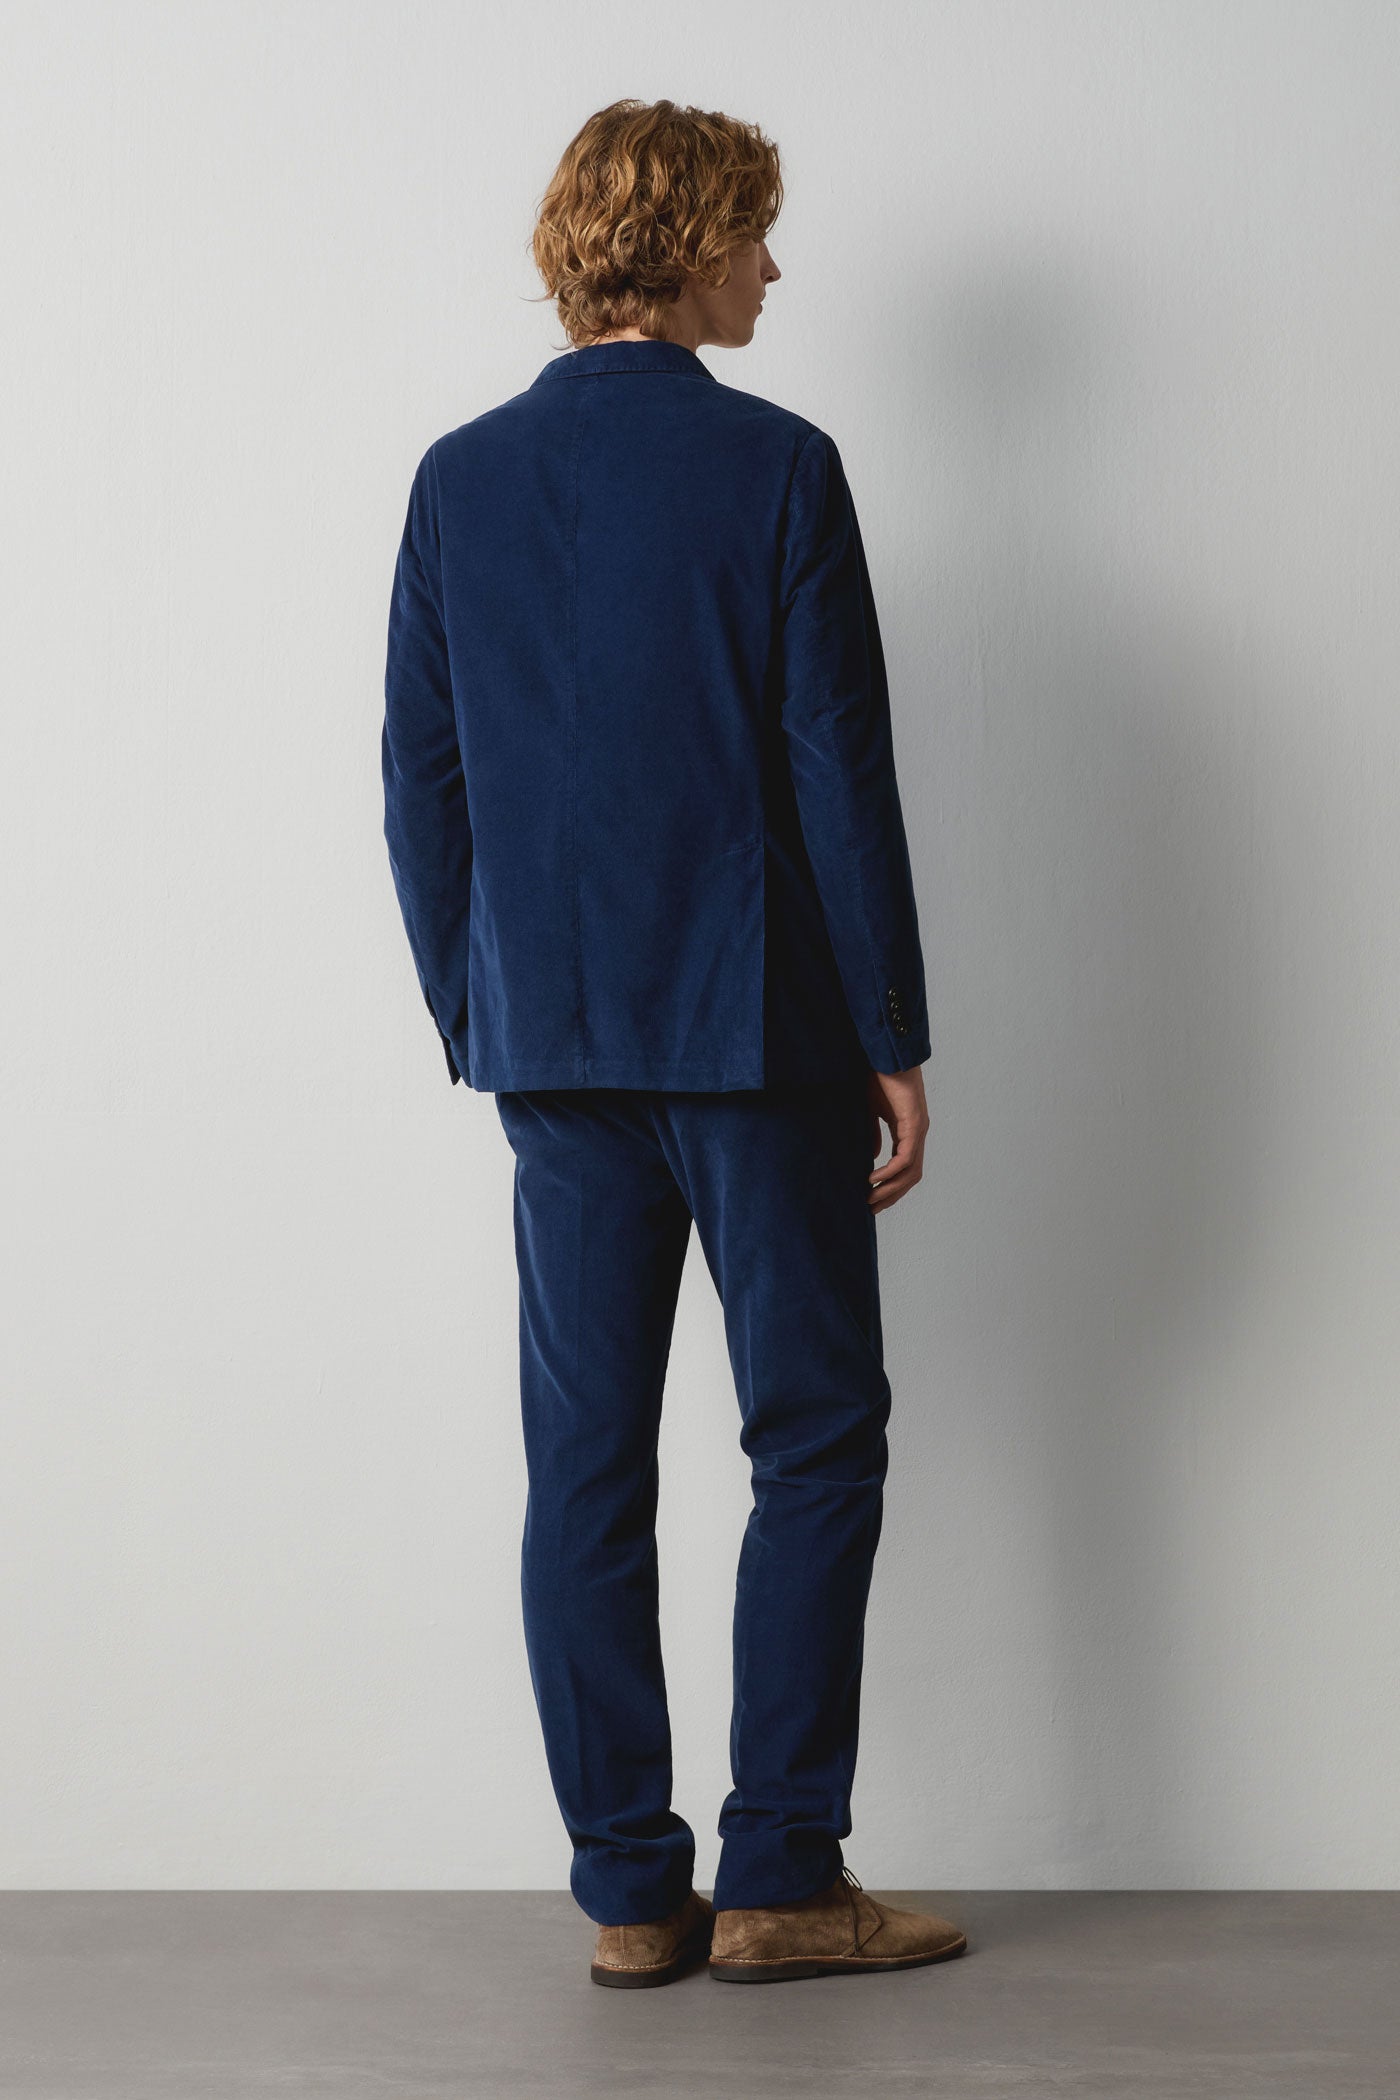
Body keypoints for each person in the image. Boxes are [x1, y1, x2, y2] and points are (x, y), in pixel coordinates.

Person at [381, 97, 967, 1987]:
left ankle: (633, 1898)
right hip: (759, 1036)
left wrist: (482, 1009)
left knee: (586, 1467)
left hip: (555, 1049)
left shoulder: (458, 478)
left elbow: (422, 785)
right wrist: (891, 1031)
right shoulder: (778, 465)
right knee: (817, 1437)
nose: (772, 268)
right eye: (755, 234)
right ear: (691, 240)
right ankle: (782, 1874)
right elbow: (837, 773)